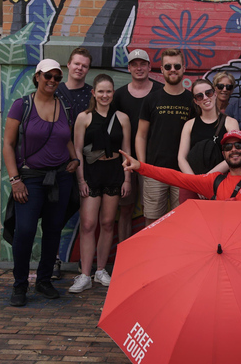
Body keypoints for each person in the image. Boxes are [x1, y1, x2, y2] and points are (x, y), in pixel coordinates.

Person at [2, 59, 80, 307]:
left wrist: (75, 159)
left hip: (60, 178)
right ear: (37, 77)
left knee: (53, 230)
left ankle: (44, 280)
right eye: (48, 76)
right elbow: (8, 144)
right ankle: (20, 285)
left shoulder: (64, 106)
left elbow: (65, 137)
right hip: (30, 179)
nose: (53, 81)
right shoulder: (21, 105)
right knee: (24, 231)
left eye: (57, 77)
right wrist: (15, 180)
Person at [70, 74, 132, 294]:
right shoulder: (84, 118)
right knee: (88, 224)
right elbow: (77, 150)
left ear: (113, 93)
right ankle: (84, 275)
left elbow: (127, 151)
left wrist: (126, 178)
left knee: (107, 223)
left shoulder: (122, 118)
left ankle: (101, 270)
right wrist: (81, 179)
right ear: (93, 93)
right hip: (91, 172)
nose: (105, 95)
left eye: (108, 91)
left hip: (114, 172)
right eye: (101, 91)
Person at [135, 48, 195, 225]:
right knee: (152, 222)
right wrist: (143, 166)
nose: (172, 69)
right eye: (168, 66)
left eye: (177, 65)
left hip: (183, 172)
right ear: (161, 70)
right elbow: (141, 135)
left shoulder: (192, 100)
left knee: (182, 222)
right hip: (155, 172)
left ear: (184, 68)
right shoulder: (151, 100)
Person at [52, 47, 93, 280]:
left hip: (87, 162)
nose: (80, 68)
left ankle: (85, 264)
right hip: (58, 162)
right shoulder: (54, 90)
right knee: (56, 213)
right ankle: (54, 259)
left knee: (89, 218)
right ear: (68, 65)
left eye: (84, 65)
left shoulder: (92, 94)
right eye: (76, 64)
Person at [113, 49, 163, 242]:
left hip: (152, 161)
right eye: (135, 64)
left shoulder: (160, 91)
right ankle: (125, 255)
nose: (139, 68)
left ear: (150, 67)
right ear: (129, 68)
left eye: (143, 64)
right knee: (125, 209)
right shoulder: (119, 96)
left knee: (151, 210)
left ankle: (148, 254)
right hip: (126, 163)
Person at [177, 79, 239, 203]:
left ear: (215, 94)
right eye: (200, 96)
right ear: (196, 101)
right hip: (191, 185)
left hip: (220, 183)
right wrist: (196, 183)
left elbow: (234, 156)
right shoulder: (189, 125)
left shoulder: (231, 123)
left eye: (208, 93)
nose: (205, 98)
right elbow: (181, 158)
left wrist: (206, 180)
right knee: (190, 220)